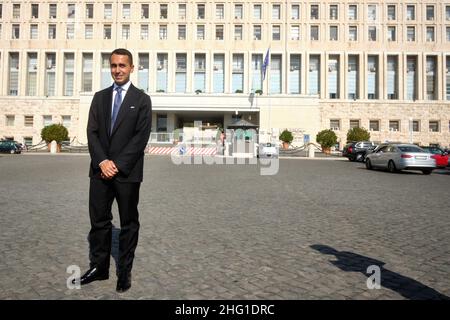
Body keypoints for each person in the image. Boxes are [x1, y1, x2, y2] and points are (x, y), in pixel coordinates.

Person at [74, 48, 152, 293]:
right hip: (100, 171)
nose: (117, 70)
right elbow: (92, 133)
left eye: (122, 65)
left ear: (131, 68)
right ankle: (99, 267)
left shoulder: (141, 99)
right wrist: (102, 162)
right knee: (99, 221)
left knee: (128, 222)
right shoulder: (99, 97)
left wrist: (117, 164)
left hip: (127, 173)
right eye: (114, 65)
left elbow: (141, 137)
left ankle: (124, 272)